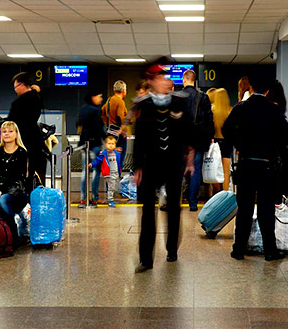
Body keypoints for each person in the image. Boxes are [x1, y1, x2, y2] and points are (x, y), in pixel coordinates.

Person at [131, 59, 194, 272]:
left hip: (174, 163)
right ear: (152, 81)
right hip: (151, 164)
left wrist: (189, 159)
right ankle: (145, 259)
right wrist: (137, 167)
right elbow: (139, 137)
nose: (166, 81)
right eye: (161, 78)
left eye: (166, 77)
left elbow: (187, 132)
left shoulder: (180, 102)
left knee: (174, 208)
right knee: (148, 210)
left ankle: (172, 250)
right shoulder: (144, 104)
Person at [222, 73, 288, 262]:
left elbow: (226, 130)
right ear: (268, 90)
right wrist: (273, 146)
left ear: (251, 88)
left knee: (244, 209)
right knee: (266, 210)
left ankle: (239, 250)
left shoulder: (240, 108)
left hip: (246, 164)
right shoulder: (274, 109)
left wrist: (240, 144)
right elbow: (287, 134)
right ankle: (270, 251)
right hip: (267, 166)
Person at [181, 70, 214, 212]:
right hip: (197, 141)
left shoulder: (177, 97)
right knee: (195, 170)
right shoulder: (203, 97)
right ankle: (193, 203)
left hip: (180, 141)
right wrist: (209, 138)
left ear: (184, 80)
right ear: (194, 81)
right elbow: (209, 120)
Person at [8, 72, 45, 187]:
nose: (15, 90)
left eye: (16, 87)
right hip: (36, 141)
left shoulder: (18, 103)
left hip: (22, 141)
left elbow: (11, 122)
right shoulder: (37, 98)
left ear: (22, 85)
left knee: (24, 174)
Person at [266, 80, 288, 202]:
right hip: (282, 162)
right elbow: (287, 134)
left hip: (268, 163)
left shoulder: (265, 113)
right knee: (279, 201)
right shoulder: (281, 115)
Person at [77, 88, 105, 206]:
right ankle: (94, 197)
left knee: (85, 171)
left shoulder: (83, 109)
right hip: (94, 144)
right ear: (93, 97)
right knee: (96, 171)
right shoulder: (95, 111)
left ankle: (83, 197)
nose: (101, 99)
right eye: (99, 96)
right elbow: (99, 128)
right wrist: (107, 138)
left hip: (84, 144)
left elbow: (78, 124)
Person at [209, 88, 233, 191]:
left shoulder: (212, 111)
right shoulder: (231, 111)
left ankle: (216, 191)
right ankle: (225, 192)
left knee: (214, 168)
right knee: (226, 171)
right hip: (227, 142)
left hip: (215, 142)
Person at [89, 135, 122, 207]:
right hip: (108, 173)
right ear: (106, 144)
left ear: (115, 145)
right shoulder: (104, 154)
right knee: (111, 187)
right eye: (109, 143)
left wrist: (119, 171)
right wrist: (92, 164)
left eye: (112, 144)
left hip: (116, 173)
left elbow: (119, 163)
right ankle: (110, 200)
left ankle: (110, 198)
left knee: (114, 187)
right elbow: (98, 160)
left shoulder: (117, 154)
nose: (111, 145)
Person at [101, 80, 129, 161]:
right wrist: (122, 128)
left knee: (112, 158)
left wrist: (107, 123)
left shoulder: (109, 100)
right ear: (123, 90)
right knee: (120, 158)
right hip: (119, 134)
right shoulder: (120, 101)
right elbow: (120, 117)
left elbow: (102, 112)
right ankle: (118, 170)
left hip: (110, 133)